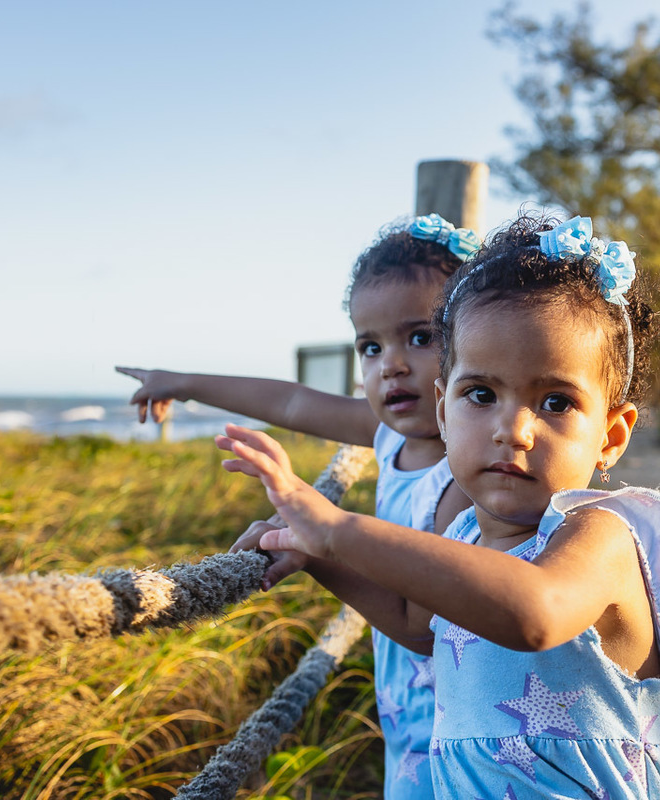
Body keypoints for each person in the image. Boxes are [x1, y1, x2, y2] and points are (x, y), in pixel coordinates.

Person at [216, 213, 660, 798]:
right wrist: (312, 554)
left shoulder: (601, 535)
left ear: (611, 435)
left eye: (555, 401)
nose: (513, 430)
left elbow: (535, 614)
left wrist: (337, 530)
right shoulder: (467, 534)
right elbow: (416, 626)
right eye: (481, 394)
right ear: (443, 415)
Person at [117, 213, 479, 797]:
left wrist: (317, 550)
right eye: (371, 345)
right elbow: (287, 401)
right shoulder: (390, 434)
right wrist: (181, 381)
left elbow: (424, 630)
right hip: (407, 711)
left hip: (465, 725)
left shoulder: (466, 476)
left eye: (420, 336)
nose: (392, 363)